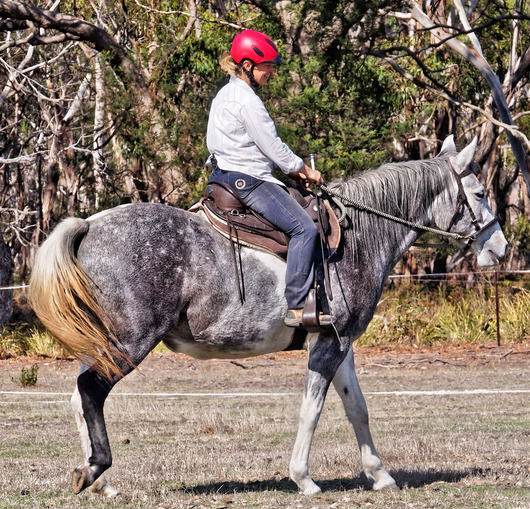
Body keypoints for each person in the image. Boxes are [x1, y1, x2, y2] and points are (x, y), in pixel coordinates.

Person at [206, 29, 331, 328]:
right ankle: (298, 307)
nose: (272, 71)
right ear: (248, 65)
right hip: (250, 181)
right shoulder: (248, 101)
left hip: (221, 176)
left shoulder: (224, 94)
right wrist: (305, 170)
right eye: (268, 65)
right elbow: (275, 149)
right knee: (304, 229)